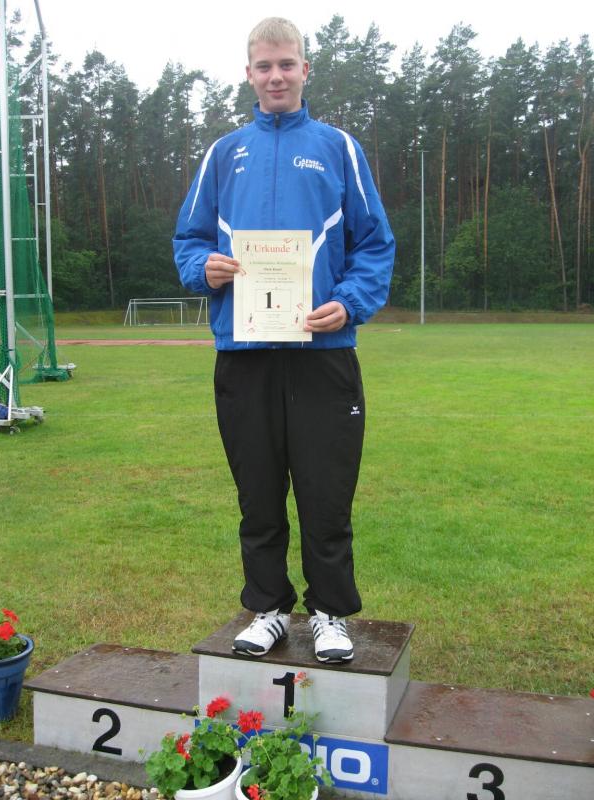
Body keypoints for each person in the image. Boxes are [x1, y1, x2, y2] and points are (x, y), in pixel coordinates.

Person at [174, 17, 395, 664]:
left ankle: (330, 613)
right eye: (265, 66)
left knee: (326, 493)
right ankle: (268, 608)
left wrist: (348, 303)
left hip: (323, 356)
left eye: (287, 64)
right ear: (249, 74)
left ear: (305, 70)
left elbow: (374, 243)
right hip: (244, 357)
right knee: (259, 495)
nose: (276, 76)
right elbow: (189, 240)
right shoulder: (224, 153)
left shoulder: (338, 147)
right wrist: (204, 268)